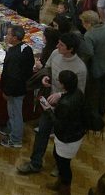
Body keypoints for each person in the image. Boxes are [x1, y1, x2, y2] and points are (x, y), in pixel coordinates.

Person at [18, 33, 86, 175]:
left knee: (61, 139)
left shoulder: (80, 68)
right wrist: (45, 77)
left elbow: (79, 93)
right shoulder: (55, 53)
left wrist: (60, 95)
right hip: (49, 104)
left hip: (66, 110)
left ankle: (59, 165)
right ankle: (35, 163)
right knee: (42, 132)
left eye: (61, 44)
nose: (57, 46)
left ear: (70, 49)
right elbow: (47, 68)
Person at [45, 70, 87, 195]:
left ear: (63, 85)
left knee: (64, 165)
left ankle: (64, 189)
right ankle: (60, 183)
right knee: (59, 158)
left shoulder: (65, 104)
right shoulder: (78, 93)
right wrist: (60, 95)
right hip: (75, 134)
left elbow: (58, 123)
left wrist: (48, 110)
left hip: (67, 138)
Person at [0, 25, 34, 148]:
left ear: (15, 38)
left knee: (15, 114)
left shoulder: (14, 54)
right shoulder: (26, 48)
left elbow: (12, 76)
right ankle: (10, 129)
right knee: (14, 113)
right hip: (22, 86)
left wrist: (7, 91)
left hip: (15, 90)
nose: (6, 36)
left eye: (9, 34)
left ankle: (15, 139)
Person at [80, 11, 105, 115]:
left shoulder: (89, 35)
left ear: (89, 23)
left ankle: (94, 113)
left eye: (83, 22)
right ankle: (104, 108)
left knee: (95, 91)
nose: (83, 25)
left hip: (97, 68)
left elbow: (89, 53)